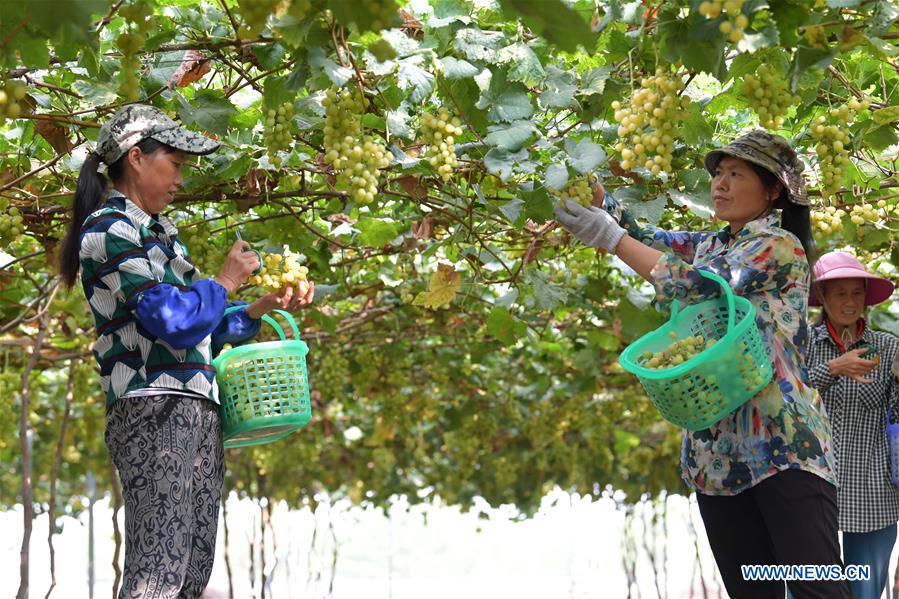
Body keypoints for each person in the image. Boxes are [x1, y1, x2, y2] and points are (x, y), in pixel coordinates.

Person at [555, 130, 850, 598]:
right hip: (717, 459)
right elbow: (652, 238)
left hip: (783, 447)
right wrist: (603, 202)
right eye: (718, 174)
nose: (720, 184)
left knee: (820, 591)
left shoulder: (778, 246)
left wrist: (610, 240)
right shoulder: (714, 243)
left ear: (773, 190)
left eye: (736, 174)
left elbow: (701, 284)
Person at [58, 105, 315, 599]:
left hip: (194, 408)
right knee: (159, 571)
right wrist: (224, 279)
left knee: (191, 572)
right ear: (136, 158)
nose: (181, 178)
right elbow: (171, 322)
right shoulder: (110, 230)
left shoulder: (162, 235)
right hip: (152, 408)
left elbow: (203, 328)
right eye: (174, 164)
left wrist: (258, 307)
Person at [807, 251, 899, 598]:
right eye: (840, 293)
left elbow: (897, 416)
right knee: (808, 590)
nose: (849, 302)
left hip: (872, 494)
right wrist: (834, 368)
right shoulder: (802, 345)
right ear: (823, 298)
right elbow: (785, 400)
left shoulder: (887, 347)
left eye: (856, 293)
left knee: (865, 592)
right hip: (812, 493)